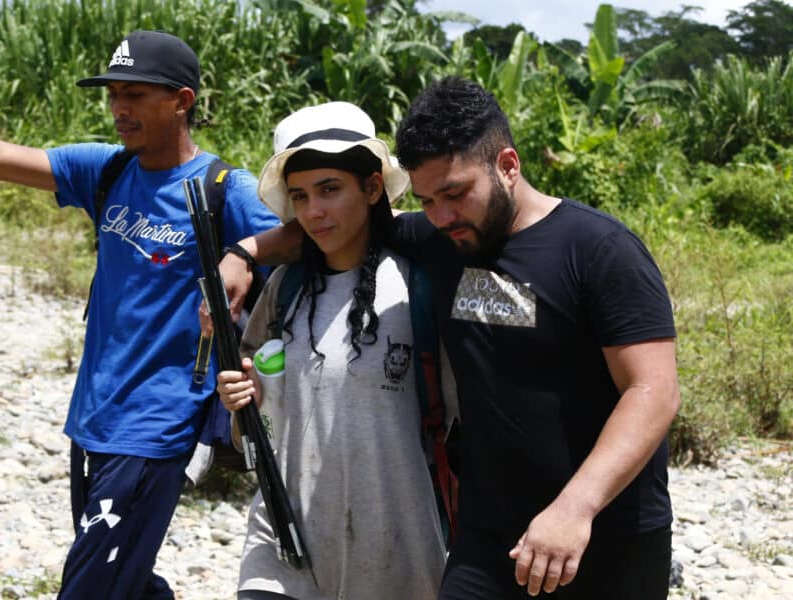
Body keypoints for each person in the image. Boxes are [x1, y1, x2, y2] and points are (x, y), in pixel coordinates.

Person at [217, 77, 681, 599]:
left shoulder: (599, 250)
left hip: (604, 534)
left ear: (508, 166)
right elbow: (335, 220)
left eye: (455, 194)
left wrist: (575, 507)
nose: (439, 215)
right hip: (489, 541)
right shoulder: (443, 241)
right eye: (427, 199)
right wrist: (243, 253)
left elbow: (653, 392)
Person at [0, 30, 280, 599]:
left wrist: (244, 251)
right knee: (126, 579)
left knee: (90, 587)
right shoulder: (108, 170)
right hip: (93, 415)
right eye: (114, 93)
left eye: (135, 94)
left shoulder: (224, 189)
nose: (119, 108)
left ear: (182, 101)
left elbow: (305, 235)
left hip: (157, 425)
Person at [215, 101, 448, 600]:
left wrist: (247, 248)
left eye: (329, 190)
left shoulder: (417, 285)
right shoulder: (284, 288)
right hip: (284, 540)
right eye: (299, 196)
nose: (314, 211)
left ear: (370, 188)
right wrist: (241, 403)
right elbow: (255, 432)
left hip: (397, 551)